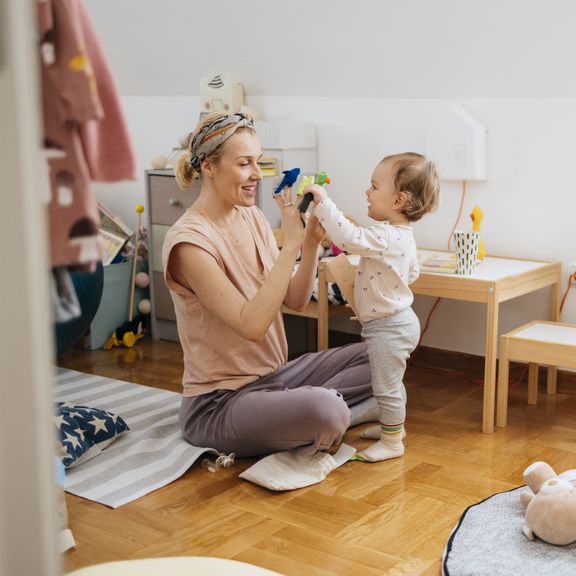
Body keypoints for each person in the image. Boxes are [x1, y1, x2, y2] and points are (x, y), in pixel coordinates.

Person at [163, 111, 374, 458]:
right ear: (209, 167)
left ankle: (308, 414)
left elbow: (294, 299)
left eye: (258, 162)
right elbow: (253, 325)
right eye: (245, 164)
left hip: (278, 376)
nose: (257, 176)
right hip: (220, 403)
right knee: (327, 410)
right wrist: (290, 244)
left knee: (382, 354)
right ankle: (331, 414)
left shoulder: (252, 217)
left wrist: (308, 244)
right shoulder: (189, 243)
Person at [305, 152, 440, 461]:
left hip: (389, 327)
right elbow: (414, 271)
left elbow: (350, 238)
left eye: (374, 186)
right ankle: (393, 426)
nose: (367, 192)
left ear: (398, 200)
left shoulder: (386, 235)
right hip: (396, 322)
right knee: (389, 382)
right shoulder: (403, 236)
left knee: (387, 385)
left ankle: (393, 442)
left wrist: (325, 203)